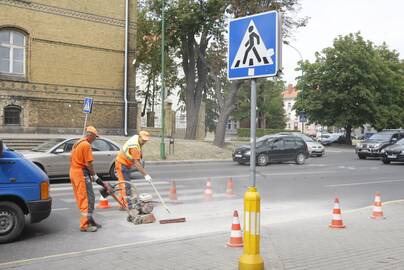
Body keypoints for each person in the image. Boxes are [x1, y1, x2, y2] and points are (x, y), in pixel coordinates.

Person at [70, 126, 102, 232]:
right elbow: (88, 164)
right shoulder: (86, 145)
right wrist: (95, 175)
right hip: (80, 173)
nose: (95, 139)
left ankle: (90, 220)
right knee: (87, 199)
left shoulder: (78, 142)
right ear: (90, 135)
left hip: (74, 172)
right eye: (94, 137)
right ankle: (84, 225)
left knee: (84, 198)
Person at [114, 130, 152, 210]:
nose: (144, 142)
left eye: (145, 140)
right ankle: (128, 206)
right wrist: (146, 175)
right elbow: (137, 163)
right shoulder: (134, 146)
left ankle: (122, 204)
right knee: (126, 186)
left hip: (123, 163)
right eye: (143, 140)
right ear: (139, 137)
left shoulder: (136, 139)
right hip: (122, 163)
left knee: (123, 184)